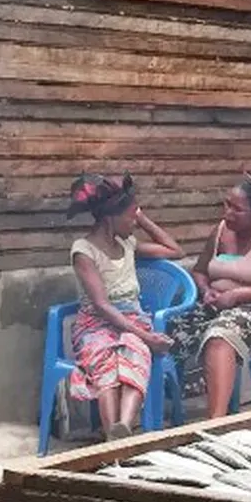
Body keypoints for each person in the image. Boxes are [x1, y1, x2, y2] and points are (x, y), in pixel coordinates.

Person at [167, 178, 251, 418]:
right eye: (227, 204)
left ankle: (216, 422)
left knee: (220, 336)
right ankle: (160, 412)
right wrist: (206, 289)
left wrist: (239, 294)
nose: (228, 213)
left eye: (237, 209)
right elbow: (199, 270)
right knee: (168, 330)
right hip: (218, 305)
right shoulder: (221, 231)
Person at [66, 173, 184, 441]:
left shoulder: (128, 244)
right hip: (95, 324)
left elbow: (175, 251)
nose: (134, 222)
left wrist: (142, 219)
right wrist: (148, 337)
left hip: (132, 320)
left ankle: (124, 428)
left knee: (134, 351)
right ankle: (112, 435)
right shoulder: (83, 250)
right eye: (131, 216)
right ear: (111, 217)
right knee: (106, 359)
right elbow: (102, 305)